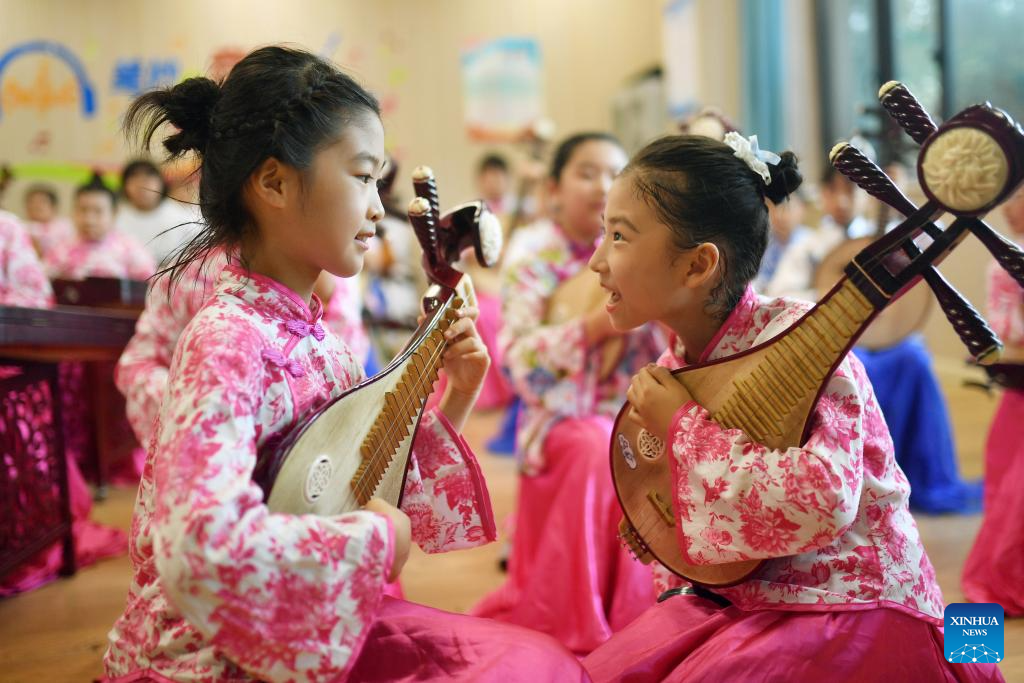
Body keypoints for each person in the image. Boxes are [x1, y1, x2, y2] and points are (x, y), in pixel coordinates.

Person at [102, 46, 586, 682]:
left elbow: (362, 485)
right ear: (274, 183)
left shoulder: (319, 340)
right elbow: (199, 551)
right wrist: (373, 540)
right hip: (215, 653)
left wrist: (457, 391)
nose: (380, 207)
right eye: (362, 177)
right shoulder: (227, 339)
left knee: (536, 661)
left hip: (300, 619)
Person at [580, 132, 1001, 681]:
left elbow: (824, 499)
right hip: (746, 600)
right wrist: (664, 523)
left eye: (618, 236)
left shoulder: (809, 344)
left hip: (852, 603)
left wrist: (684, 428)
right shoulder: (677, 362)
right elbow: (687, 486)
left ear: (697, 265)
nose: (597, 261)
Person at [472, 132, 662, 654]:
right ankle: (581, 618)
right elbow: (517, 361)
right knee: (597, 444)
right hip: (556, 419)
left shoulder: (641, 248)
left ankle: (646, 613)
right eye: (586, 172)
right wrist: (593, 328)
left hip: (633, 408)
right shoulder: (534, 252)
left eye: (615, 174)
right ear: (553, 188)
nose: (602, 185)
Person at [962, 185, 1024, 616]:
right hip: (1018, 383)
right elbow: (1002, 328)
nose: (1008, 208)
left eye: (1017, 196)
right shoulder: (1005, 257)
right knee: (1004, 464)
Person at [44, 173, 155, 281]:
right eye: (83, 210)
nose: (89, 220)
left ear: (114, 213)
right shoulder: (62, 249)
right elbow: (44, 280)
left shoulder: (130, 248)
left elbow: (149, 281)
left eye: (98, 211)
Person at [115, 158, 200, 264]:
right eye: (134, 177)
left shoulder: (180, 215)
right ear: (124, 186)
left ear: (161, 183)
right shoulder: (115, 218)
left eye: (148, 177)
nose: (142, 184)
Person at [22, 183, 74, 259]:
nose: (36, 206)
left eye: (42, 201)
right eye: (32, 202)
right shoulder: (21, 228)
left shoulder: (66, 226)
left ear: (54, 206)